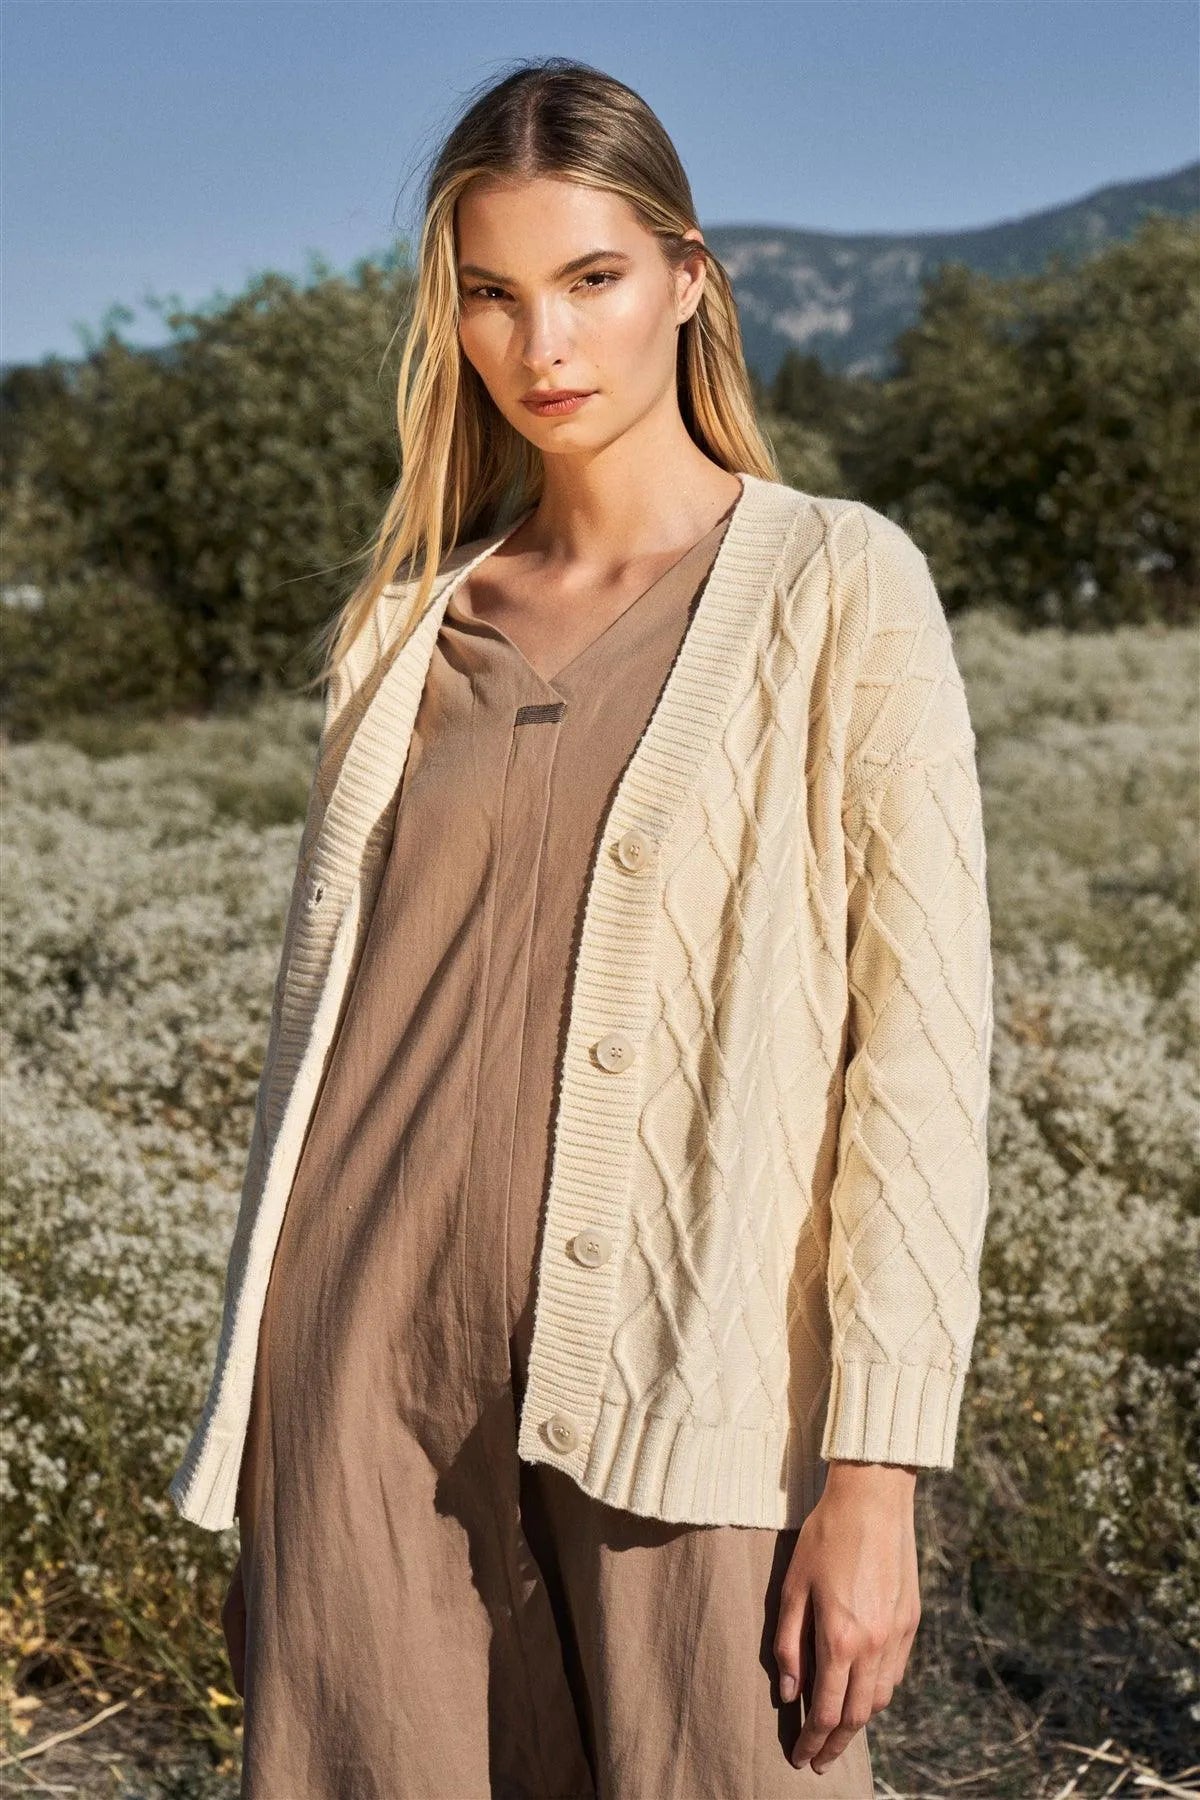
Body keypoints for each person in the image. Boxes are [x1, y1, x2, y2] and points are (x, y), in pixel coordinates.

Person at [168, 56, 994, 1800]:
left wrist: (876, 1473)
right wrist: (271, 1464)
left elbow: (920, 1061)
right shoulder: (403, 634)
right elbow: (321, 1059)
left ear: (690, 279)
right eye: (493, 294)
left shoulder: (841, 585)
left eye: (593, 278)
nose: (543, 343)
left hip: (688, 1393)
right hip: (365, 1394)